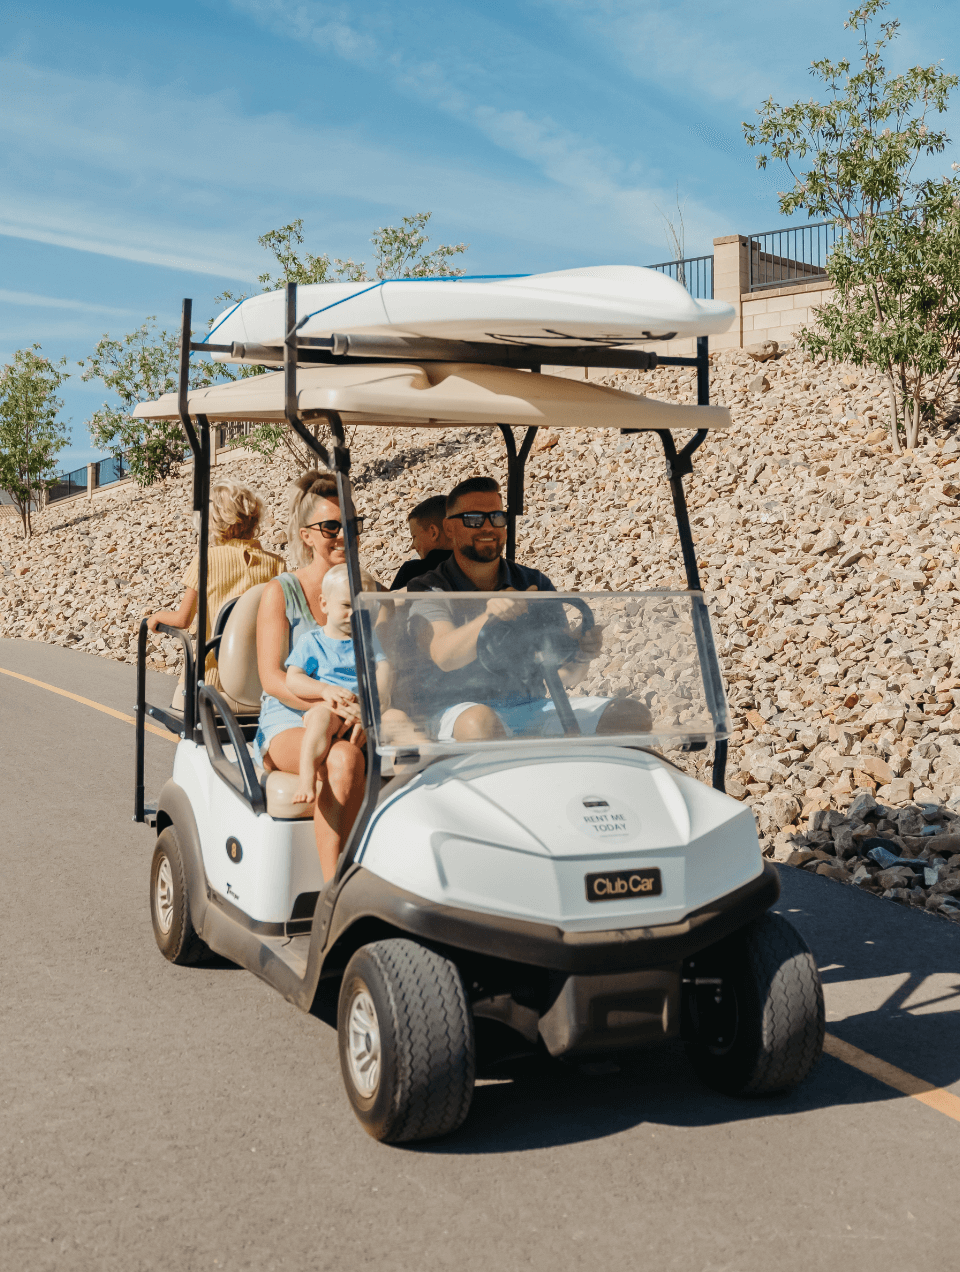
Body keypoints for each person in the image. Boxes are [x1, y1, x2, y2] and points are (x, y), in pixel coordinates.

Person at [407, 475, 652, 742]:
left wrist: (581, 652)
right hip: (457, 711)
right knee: (481, 723)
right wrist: (489, 615)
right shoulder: (429, 588)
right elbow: (444, 656)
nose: (488, 527)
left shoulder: (533, 582)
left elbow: (565, 675)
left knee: (630, 715)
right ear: (449, 529)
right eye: (474, 519)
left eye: (497, 518)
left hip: (528, 706)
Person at [254, 472, 368, 879]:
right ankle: (335, 893)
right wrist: (329, 705)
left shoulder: (365, 591)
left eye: (351, 525)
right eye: (331, 527)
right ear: (307, 536)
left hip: (350, 714)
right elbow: (273, 679)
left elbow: (387, 667)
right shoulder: (280, 592)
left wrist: (363, 713)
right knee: (342, 758)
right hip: (292, 715)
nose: (342, 536)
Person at [148, 480, 283, 699]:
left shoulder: (206, 559)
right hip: (257, 683)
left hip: (210, 679)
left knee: (180, 719)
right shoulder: (276, 564)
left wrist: (156, 617)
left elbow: (183, 620)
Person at [285, 565, 394, 823]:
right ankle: (307, 776)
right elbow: (294, 678)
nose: (354, 614)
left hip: (361, 710)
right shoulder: (312, 641)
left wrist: (373, 703)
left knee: (398, 720)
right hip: (330, 707)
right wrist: (323, 689)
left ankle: (411, 786)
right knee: (321, 720)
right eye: (346, 606)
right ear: (324, 604)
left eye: (362, 607)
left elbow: (383, 668)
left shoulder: (368, 640)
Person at [389, 495, 453, 590]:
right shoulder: (475, 569)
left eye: (414, 537)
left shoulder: (412, 571)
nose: (412, 546)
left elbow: (389, 604)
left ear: (433, 533)